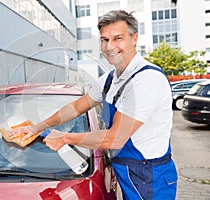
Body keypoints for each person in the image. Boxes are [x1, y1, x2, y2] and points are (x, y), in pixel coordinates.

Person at [10, 10, 178, 199]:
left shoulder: (147, 80)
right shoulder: (109, 79)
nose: (109, 46)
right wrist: (38, 127)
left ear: (134, 38)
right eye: (104, 40)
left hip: (150, 177)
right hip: (128, 170)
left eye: (118, 38)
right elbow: (75, 108)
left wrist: (65, 138)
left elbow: (115, 139)